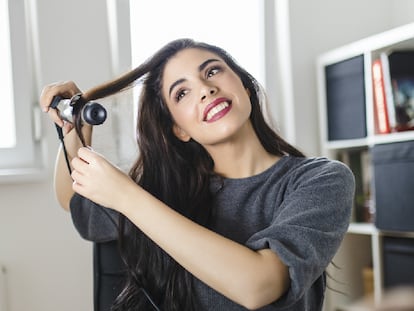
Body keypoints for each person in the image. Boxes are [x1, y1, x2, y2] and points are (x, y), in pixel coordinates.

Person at [40, 38, 355, 311]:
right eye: (181, 93)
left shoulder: (321, 179)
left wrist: (127, 197)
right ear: (178, 129)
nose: (206, 89)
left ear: (245, 86)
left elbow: (260, 286)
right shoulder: (167, 192)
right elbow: (73, 199)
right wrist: (74, 125)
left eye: (213, 71)